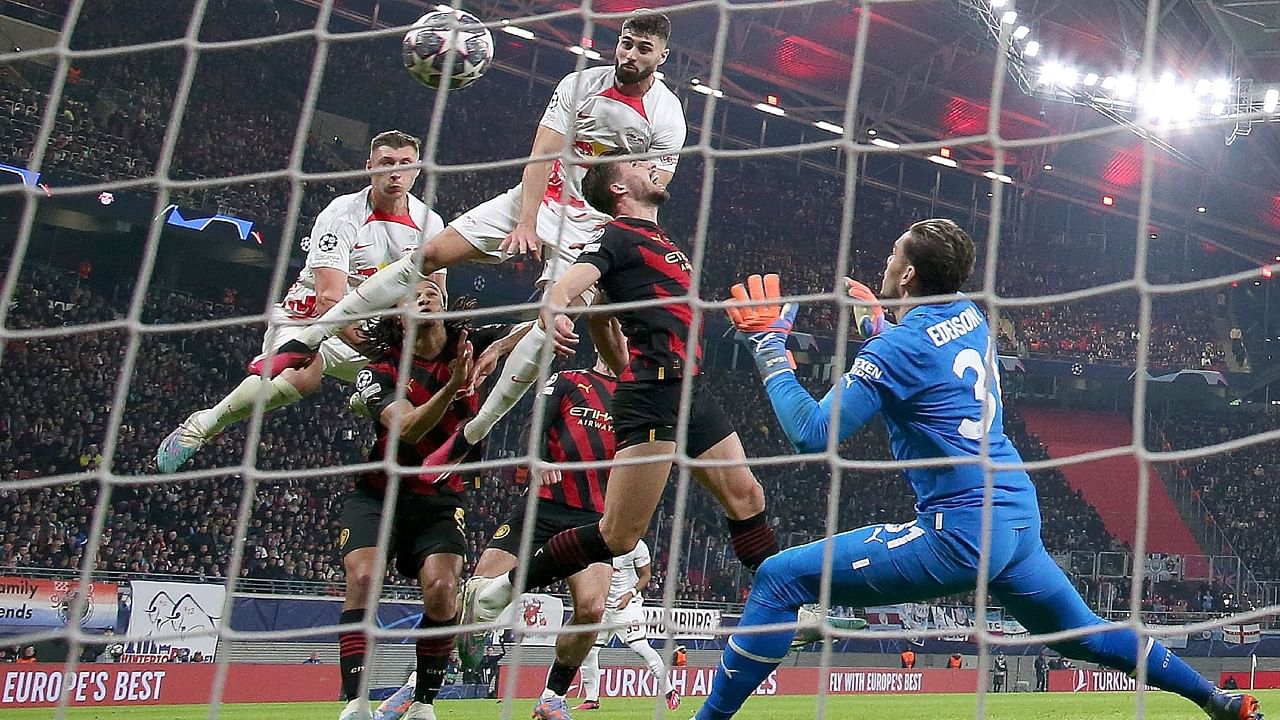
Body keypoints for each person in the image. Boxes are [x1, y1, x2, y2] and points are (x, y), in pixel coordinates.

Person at [695, 218, 1261, 720]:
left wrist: (769, 348)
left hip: (961, 533)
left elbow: (811, 432)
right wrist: (879, 327)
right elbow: (927, 365)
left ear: (910, 274)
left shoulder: (899, 350)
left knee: (780, 577)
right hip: (1016, 520)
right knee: (1085, 637)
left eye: (894, 254)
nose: (887, 262)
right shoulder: (970, 315)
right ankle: (1217, 701)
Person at [251, 12, 687, 458]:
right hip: (539, 195)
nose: (630, 55)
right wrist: (525, 222)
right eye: (626, 43)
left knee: (554, 320)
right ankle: (306, 338)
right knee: (432, 253)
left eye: (643, 49)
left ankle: (475, 431)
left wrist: (603, 251)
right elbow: (541, 154)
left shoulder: (667, 117)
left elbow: (643, 197)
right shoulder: (580, 84)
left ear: (662, 56)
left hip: (593, 223)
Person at [457, 157, 778, 631]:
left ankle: (787, 605)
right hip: (657, 392)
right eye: (635, 163)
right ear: (617, 186)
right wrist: (556, 308)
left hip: (686, 387)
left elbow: (604, 317)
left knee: (748, 496)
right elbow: (568, 285)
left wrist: (629, 370)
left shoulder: (660, 239)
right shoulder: (615, 235)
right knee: (619, 536)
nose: (650, 165)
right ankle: (499, 591)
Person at [156, 130, 446, 473]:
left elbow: (434, 295)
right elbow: (329, 300)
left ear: (417, 171)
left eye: (404, 164)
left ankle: (367, 395)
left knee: (435, 381)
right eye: (386, 164)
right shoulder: (342, 215)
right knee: (302, 378)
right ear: (370, 168)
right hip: (310, 321)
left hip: (374, 333)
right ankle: (204, 424)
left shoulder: (430, 223)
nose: (395, 173)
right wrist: (382, 358)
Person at [333, 279, 524, 720]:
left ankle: (422, 702)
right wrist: (455, 382)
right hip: (378, 495)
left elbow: (536, 323)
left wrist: (498, 349)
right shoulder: (379, 370)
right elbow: (409, 429)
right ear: (399, 317)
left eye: (432, 292)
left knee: (442, 591)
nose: (425, 294)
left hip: (439, 498)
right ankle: (355, 703)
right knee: (363, 579)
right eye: (412, 294)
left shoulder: (470, 342)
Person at [407, 350, 628, 720]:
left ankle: (552, 697)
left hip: (593, 516)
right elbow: (534, 423)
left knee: (592, 608)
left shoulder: (634, 394)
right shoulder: (570, 379)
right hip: (542, 507)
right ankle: (418, 688)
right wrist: (539, 458)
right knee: (476, 591)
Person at [576, 540, 677, 712]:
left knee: (640, 646)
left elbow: (646, 575)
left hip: (628, 605)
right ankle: (591, 698)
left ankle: (669, 692)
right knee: (588, 650)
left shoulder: (637, 545)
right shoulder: (599, 540)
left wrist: (630, 593)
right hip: (604, 606)